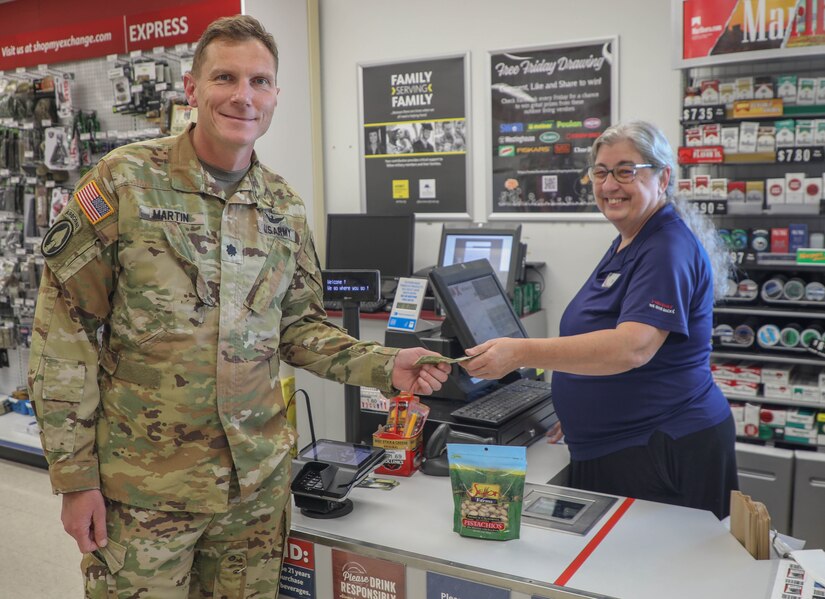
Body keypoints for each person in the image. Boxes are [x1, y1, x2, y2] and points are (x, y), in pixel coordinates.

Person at [27, 15, 449, 598]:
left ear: (276, 95)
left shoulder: (283, 208)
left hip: (254, 491)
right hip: (145, 490)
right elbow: (64, 335)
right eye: (225, 77)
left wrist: (384, 365)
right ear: (192, 89)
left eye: (259, 81)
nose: (242, 96)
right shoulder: (124, 181)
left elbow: (299, 327)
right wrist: (75, 479)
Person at [462, 121, 737, 519]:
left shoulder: (666, 247)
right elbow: (600, 332)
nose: (609, 185)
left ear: (663, 178)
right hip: (618, 443)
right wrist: (575, 412)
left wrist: (519, 352)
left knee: (647, 575)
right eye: (600, 172)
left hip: (659, 448)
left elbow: (633, 347)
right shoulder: (631, 237)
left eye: (626, 171)